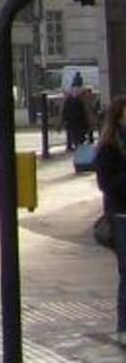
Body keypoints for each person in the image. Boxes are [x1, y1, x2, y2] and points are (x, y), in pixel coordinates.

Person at [91, 95, 126, 340]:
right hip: (121, 216)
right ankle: (123, 327)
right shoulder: (109, 147)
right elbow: (106, 184)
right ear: (118, 116)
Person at [67, 85, 96, 149]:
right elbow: (88, 112)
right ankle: (82, 146)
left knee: (79, 140)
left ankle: (80, 146)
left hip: (78, 123)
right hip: (81, 123)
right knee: (80, 139)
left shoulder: (76, 101)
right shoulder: (83, 101)